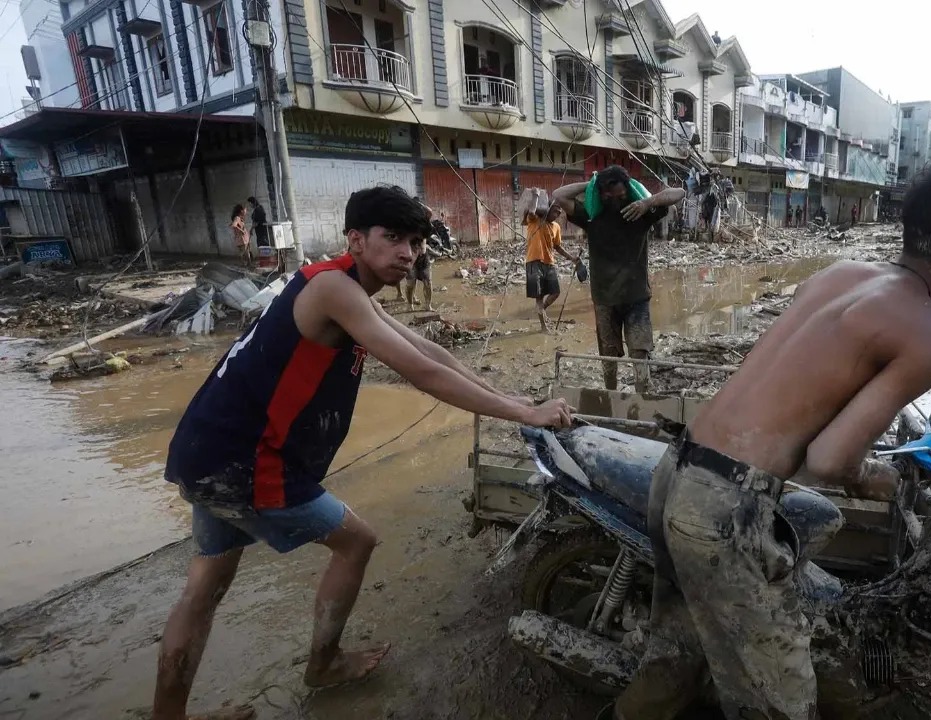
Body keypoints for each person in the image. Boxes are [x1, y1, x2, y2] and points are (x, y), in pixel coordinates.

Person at [611, 157, 931, 720]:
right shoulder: (927, 336)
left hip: (678, 473)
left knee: (673, 659)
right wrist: (877, 476)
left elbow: (861, 331)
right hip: (729, 513)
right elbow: (830, 460)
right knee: (781, 703)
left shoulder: (843, 274)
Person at [153, 185, 573, 720]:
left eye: (417, 242)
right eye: (393, 238)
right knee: (358, 542)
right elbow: (419, 373)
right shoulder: (336, 290)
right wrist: (523, 415)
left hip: (204, 449)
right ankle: (323, 665)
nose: (408, 253)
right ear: (356, 238)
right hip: (243, 460)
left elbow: (430, 350)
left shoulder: (343, 287)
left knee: (205, 585)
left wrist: (513, 398)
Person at [552, 166, 686, 394]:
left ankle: (642, 402)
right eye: (608, 195)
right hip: (605, 301)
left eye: (621, 195)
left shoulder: (639, 213)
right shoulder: (591, 216)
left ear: (628, 191)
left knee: (640, 359)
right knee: (608, 362)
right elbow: (559, 195)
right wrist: (591, 184)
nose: (615, 201)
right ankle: (611, 399)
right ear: (601, 194)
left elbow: (680, 192)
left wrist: (647, 202)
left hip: (636, 299)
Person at [523, 203, 578, 332]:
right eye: (555, 211)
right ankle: (543, 327)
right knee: (539, 296)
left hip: (549, 263)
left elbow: (557, 246)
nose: (557, 215)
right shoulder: (535, 220)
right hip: (534, 262)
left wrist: (572, 258)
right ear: (547, 211)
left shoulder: (556, 227)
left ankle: (542, 311)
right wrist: (536, 197)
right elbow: (531, 212)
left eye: (559, 213)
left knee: (555, 292)